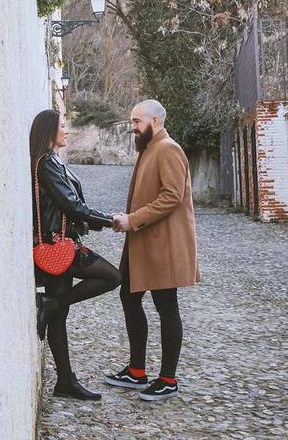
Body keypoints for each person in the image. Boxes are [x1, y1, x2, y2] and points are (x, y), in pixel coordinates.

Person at [106, 100, 200, 402]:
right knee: (128, 296)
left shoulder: (168, 148)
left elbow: (172, 196)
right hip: (142, 241)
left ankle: (168, 379)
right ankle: (136, 371)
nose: (133, 127)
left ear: (155, 121)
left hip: (162, 244)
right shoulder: (149, 147)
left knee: (166, 306)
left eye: (137, 121)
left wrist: (132, 220)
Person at [30, 109, 121, 401]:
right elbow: (71, 205)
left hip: (62, 243)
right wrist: (108, 220)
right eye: (63, 126)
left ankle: (65, 381)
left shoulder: (53, 161)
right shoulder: (46, 164)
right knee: (112, 276)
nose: (67, 130)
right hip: (61, 245)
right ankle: (50, 303)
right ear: (49, 131)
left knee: (58, 316)